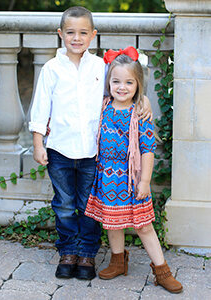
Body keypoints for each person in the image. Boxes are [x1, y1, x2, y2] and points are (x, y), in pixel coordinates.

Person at [29, 7, 152, 281]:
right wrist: (39, 144)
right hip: (59, 150)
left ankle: (86, 253)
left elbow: (124, 85)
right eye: (70, 32)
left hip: (92, 154)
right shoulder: (51, 69)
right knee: (63, 204)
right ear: (61, 34)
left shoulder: (100, 66)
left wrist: (144, 100)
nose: (77, 38)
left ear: (93, 35)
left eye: (83, 32)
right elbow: (40, 109)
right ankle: (68, 252)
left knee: (88, 205)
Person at [85, 47, 183, 294]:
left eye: (129, 82)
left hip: (133, 178)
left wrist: (145, 181)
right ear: (108, 82)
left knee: (143, 225)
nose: (122, 87)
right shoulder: (103, 106)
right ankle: (118, 260)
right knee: (112, 223)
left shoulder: (139, 113)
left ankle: (162, 270)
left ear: (139, 84)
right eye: (116, 81)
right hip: (106, 177)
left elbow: (147, 149)